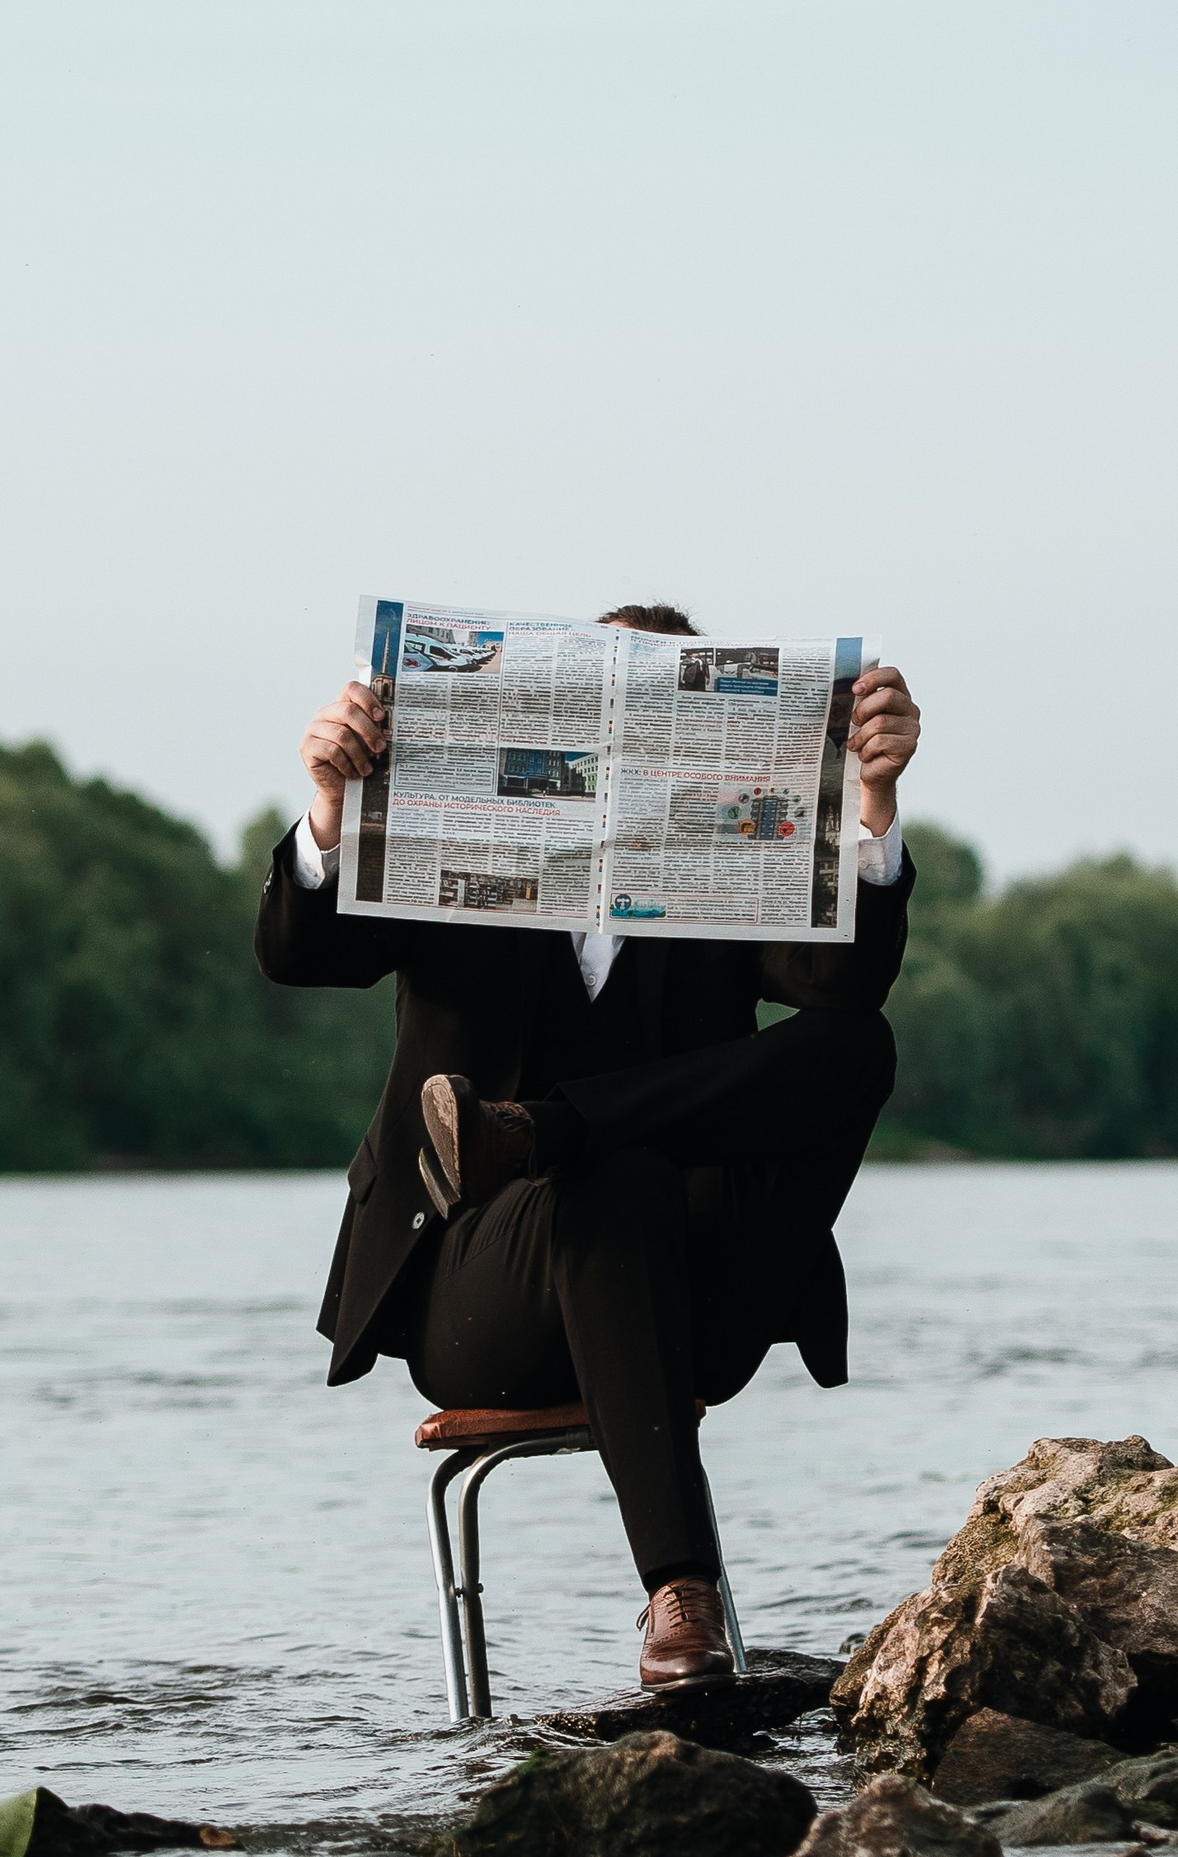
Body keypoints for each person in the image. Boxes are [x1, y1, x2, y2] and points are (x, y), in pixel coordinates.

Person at [255, 606, 921, 1687]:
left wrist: (872, 802)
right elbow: (301, 954)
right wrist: (331, 806)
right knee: (611, 1178)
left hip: (695, 1291)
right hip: (482, 1292)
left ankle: (543, 1133)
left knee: (856, 1043)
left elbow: (841, 986)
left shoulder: (733, 848)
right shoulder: (451, 827)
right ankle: (680, 1595)